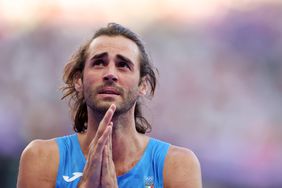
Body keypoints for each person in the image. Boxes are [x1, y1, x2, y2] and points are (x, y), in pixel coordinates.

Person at [17, 23, 202, 188]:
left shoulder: (177, 165)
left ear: (143, 85)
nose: (110, 73)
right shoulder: (42, 158)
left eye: (123, 65)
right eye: (99, 63)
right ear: (79, 80)